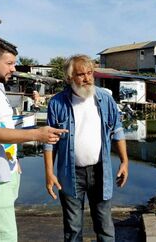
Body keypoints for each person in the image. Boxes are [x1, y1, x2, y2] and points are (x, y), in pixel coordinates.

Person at [0, 39, 67, 242]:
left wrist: (13, 159)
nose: (14, 68)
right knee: (6, 236)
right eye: (9, 63)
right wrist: (37, 134)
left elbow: (5, 126)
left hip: (6, 170)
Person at [44, 54, 129, 242]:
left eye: (90, 73)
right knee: (73, 229)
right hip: (70, 172)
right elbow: (49, 142)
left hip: (101, 170)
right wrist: (49, 173)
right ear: (70, 78)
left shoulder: (105, 99)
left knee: (105, 227)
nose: (87, 78)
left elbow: (117, 130)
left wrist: (124, 161)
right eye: (81, 74)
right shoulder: (57, 103)